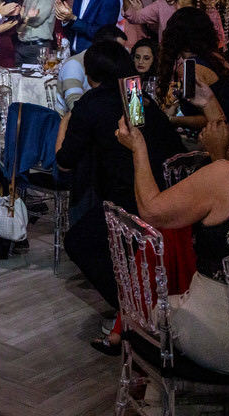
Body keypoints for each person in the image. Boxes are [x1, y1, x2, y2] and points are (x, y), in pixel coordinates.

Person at [115, 80, 229, 374]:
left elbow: (152, 211)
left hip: (224, 341)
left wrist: (138, 147)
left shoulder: (225, 176)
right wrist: (209, 102)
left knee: (160, 310)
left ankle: (158, 402)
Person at [56, 41, 184, 311]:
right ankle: (135, 301)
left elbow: (64, 162)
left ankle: (132, 309)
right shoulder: (134, 95)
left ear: (90, 75)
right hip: (169, 190)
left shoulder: (91, 103)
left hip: (129, 199)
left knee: (78, 242)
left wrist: (65, 123)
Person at [158, 7, 229, 134]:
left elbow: (206, 119)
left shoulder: (191, 69)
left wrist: (171, 119)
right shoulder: (220, 59)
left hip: (223, 138)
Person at [56, 25, 126, 112]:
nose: (122, 54)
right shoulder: (74, 65)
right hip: (70, 121)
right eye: (118, 49)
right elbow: (75, 106)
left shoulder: (108, 65)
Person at [16, 0, 56, 66]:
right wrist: (25, 17)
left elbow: (37, 20)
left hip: (38, 47)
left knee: (35, 81)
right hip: (22, 45)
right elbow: (21, 22)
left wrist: (25, 17)